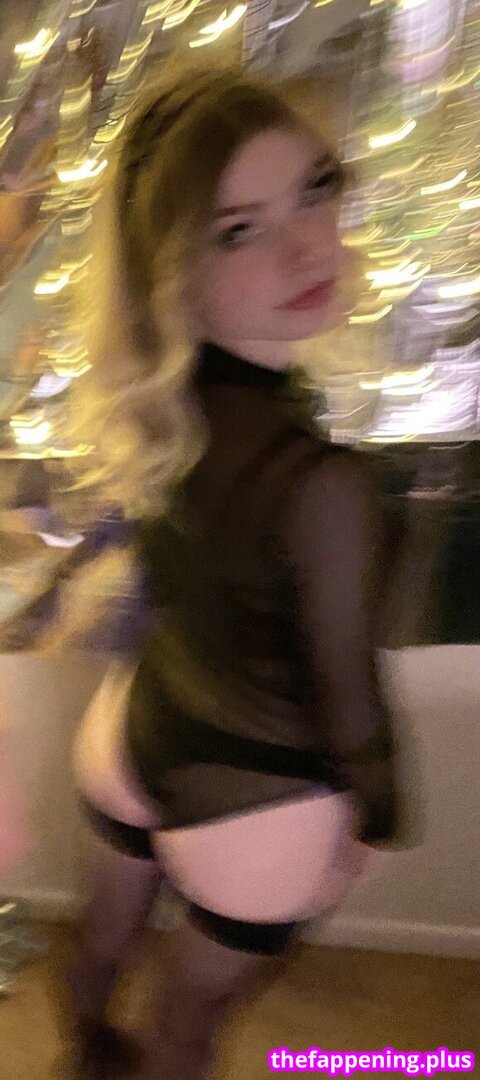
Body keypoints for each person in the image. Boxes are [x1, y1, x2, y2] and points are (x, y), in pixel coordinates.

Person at [62, 57, 404, 1079]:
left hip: (136, 729)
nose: (309, 246)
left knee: (102, 951)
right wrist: (378, 817)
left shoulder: (158, 408)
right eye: (239, 230)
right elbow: (350, 699)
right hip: (261, 792)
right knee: (188, 1027)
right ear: (175, 274)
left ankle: (81, 1056)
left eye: (314, 189)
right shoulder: (324, 485)